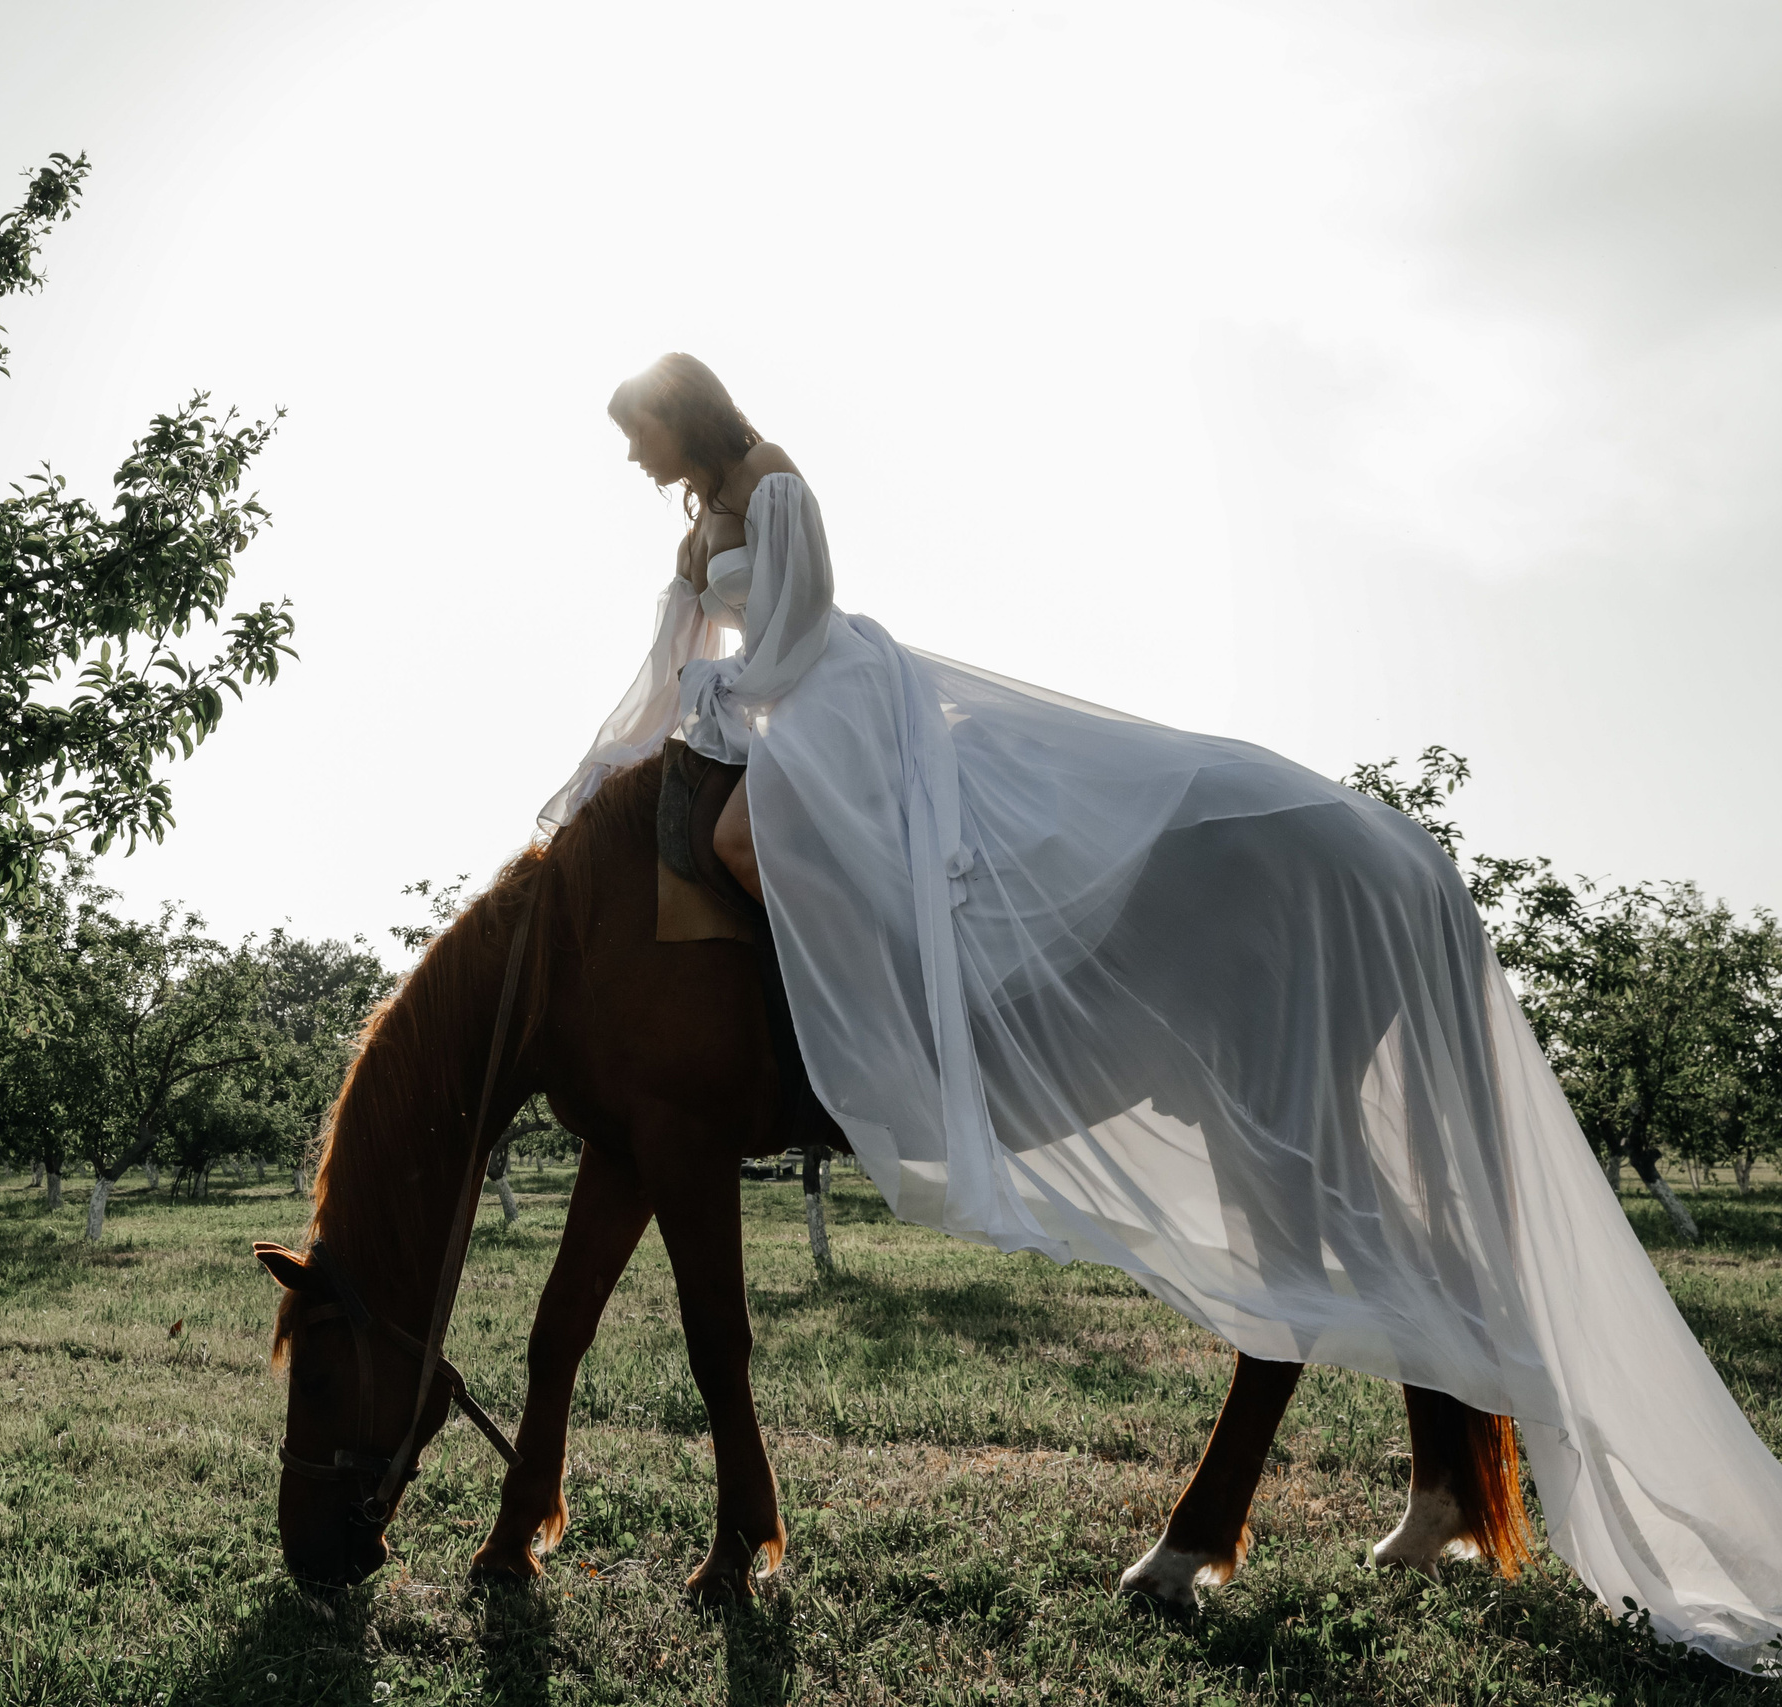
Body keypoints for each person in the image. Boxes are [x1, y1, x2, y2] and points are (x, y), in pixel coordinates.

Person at [541, 352, 1782, 1673]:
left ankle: (886, 998)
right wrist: (621, 750)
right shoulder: (692, 524)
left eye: (640, 432)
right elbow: (674, 651)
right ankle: (1444, 1493)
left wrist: (731, 704)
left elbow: (793, 631)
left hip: (829, 698)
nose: (633, 458)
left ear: (685, 413)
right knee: (715, 820)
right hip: (755, 709)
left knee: (744, 843)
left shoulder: (774, 484)